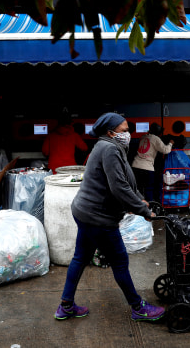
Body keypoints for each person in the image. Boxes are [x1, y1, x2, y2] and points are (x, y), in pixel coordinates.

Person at [54, 112, 165, 322]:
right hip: (98, 217)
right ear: (110, 132)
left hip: (85, 211)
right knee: (120, 261)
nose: (128, 134)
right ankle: (138, 307)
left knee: (80, 258)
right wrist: (143, 212)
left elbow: (125, 180)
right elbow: (119, 187)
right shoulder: (110, 149)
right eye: (124, 130)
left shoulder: (110, 146)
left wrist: (139, 199)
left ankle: (66, 306)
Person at [131, 122, 174, 201]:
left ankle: (138, 208)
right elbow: (165, 150)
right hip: (147, 167)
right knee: (149, 189)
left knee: (138, 189)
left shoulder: (143, 137)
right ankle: (149, 209)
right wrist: (170, 143)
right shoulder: (156, 139)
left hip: (135, 166)